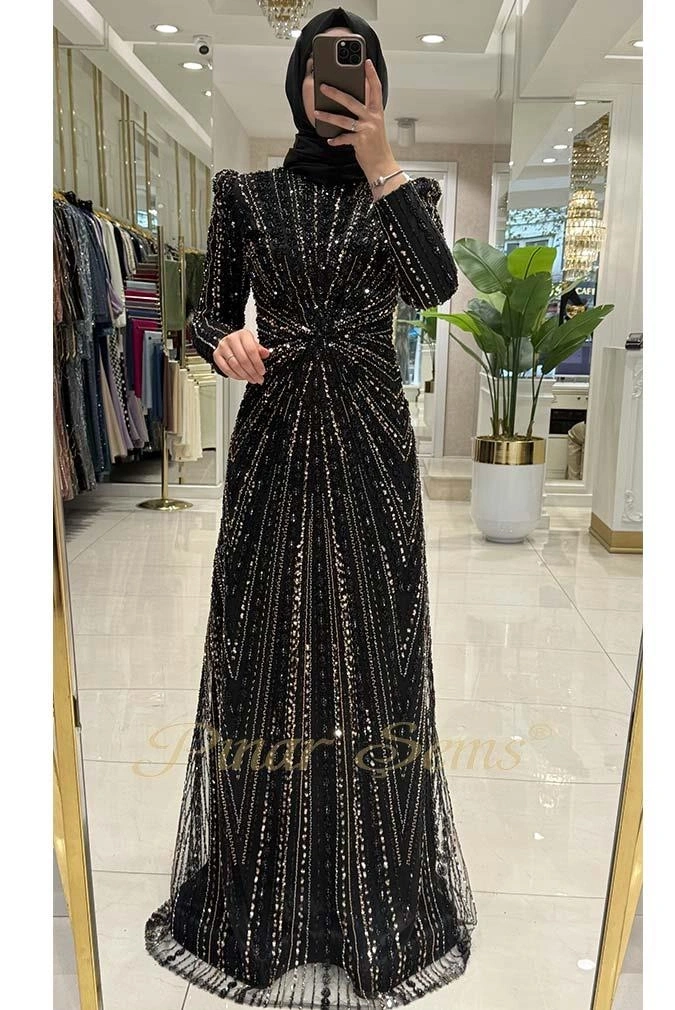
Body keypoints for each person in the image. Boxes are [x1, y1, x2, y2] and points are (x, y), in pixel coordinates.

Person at [145, 7, 476, 1007]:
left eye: (355, 70)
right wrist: (223, 344)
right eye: (322, 69)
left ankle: (370, 878)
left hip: (372, 449)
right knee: (270, 645)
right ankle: (264, 878)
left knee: (373, 645)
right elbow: (206, 315)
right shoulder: (244, 194)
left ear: (376, 85)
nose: (336, 85)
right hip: (276, 443)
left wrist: (382, 164)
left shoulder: (405, 194)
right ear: (297, 80)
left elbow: (435, 287)